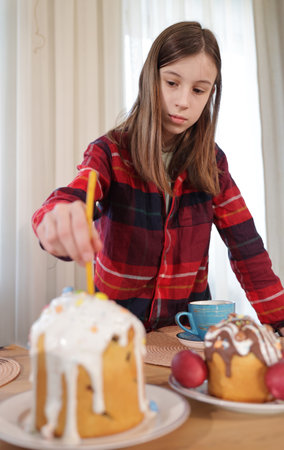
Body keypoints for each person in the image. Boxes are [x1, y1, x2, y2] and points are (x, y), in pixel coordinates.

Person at [32, 21, 284, 334]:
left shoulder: (212, 162)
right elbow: (75, 194)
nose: (183, 102)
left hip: (184, 329)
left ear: (211, 95)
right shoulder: (110, 152)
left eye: (198, 90)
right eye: (172, 83)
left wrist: (279, 320)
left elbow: (247, 246)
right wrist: (56, 217)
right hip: (116, 329)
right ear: (150, 79)